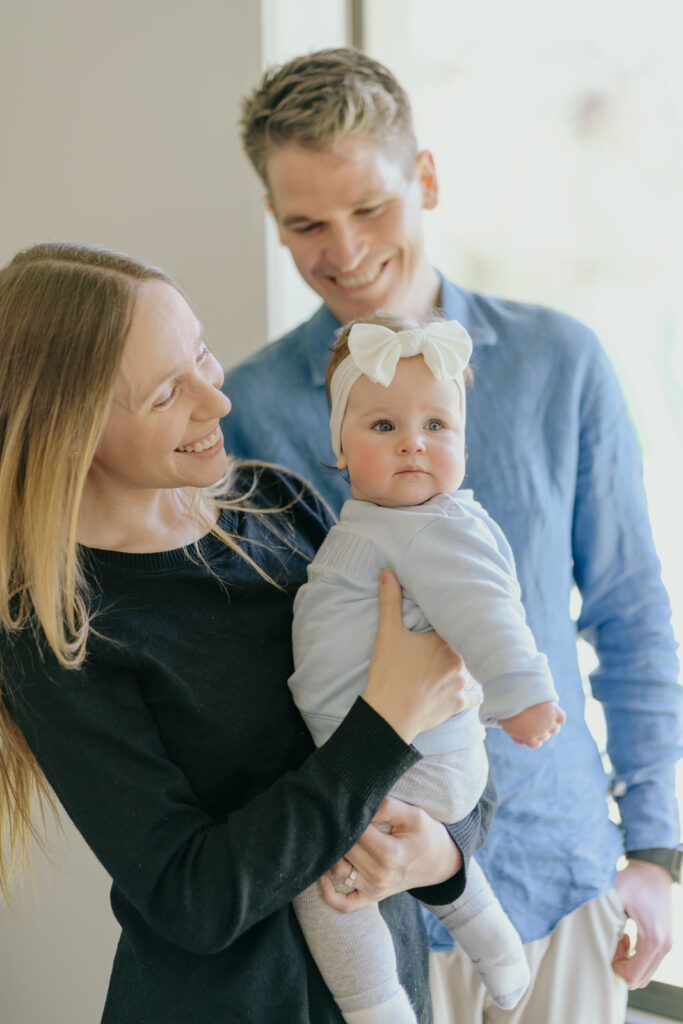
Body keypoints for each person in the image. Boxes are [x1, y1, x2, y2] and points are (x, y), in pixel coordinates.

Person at [221, 48, 683, 1024]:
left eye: (370, 209)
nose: (341, 251)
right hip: (364, 895)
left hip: (558, 880)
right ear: (273, 218)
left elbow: (630, 614)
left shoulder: (559, 361)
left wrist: (654, 851)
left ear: (423, 179)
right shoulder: (248, 408)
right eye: (305, 223)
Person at [0, 241, 494, 1024]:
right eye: (168, 392)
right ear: (71, 431)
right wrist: (383, 722)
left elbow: (439, 722)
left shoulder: (277, 504)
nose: (216, 402)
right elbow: (190, 899)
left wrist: (442, 851)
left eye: (201, 354)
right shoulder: (57, 631)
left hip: (390, 991)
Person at [289, 313, 566, 1024]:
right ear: (339, 448)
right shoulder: (383, 525)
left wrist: (522, 693)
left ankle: (376, 1006)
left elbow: (488, 612)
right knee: (401, 857)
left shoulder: (430, 528)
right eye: (383, 426)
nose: (413, 441)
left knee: (323, 878)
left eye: (436, 426)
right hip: (412, 755)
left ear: (464, 443)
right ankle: (499, 953)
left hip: (418, 757)